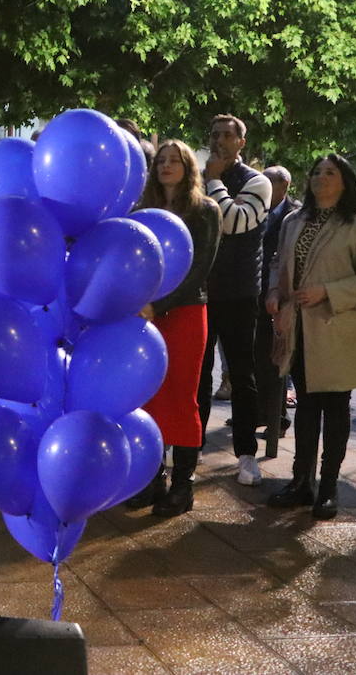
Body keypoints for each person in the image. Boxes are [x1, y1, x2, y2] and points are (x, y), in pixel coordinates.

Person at [265, 154, 356, 520]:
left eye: (330, 172)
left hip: (337, 328)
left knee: (335, 409)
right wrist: (274, 292)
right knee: (304, 406)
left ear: (345, 181)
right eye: (316, 171)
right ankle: (302, 481)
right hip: (299, 328)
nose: (321, 177)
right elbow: (277, 263)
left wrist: (327, 291)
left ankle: (329, 488)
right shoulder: (292, 221)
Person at [128, 140, 221, 517]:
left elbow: (200, 269)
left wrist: (159, 305)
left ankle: (184, 486)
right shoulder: (143, 210)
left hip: (183, 313)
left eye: (174, 161)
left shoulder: (205, 211)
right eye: (161, 161)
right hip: (145, 314)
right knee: (147, 397)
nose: (166, 166)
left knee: (181, 396)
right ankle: (154, 479)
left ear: (188, 167)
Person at [199, 114, 272, 487]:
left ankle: (246, 453)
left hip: (240, 293)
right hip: (201, 292)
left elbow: (233, 221)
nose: (221, 141)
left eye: (229, 135)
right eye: (215, 134)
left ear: (242, 143)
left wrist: (212, 180)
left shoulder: (257, 182)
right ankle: (191, 445)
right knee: (197, 373)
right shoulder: (196, 179)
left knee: (242, 375)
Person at [249, 165, 298, 435]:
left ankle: (277, 418)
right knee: (256, 358)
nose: (264, 187)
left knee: (275, 361)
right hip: (255, 293)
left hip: (279, 296)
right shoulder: (257, 210)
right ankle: (258, 413)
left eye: (269, 182)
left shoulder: (294, 215)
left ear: (284, 186)